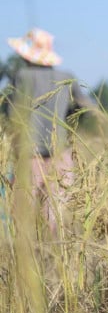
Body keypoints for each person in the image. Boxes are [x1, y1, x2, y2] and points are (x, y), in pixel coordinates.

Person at [5, 28, 94, 234]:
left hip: (29, 155)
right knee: (53, 216)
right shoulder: (67, 77)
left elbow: (11, 113)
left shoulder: (21, 75)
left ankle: (28, 263)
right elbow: (89, 109)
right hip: (61, 155)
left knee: (23, 218)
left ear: (25, 54)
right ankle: (54, 262)